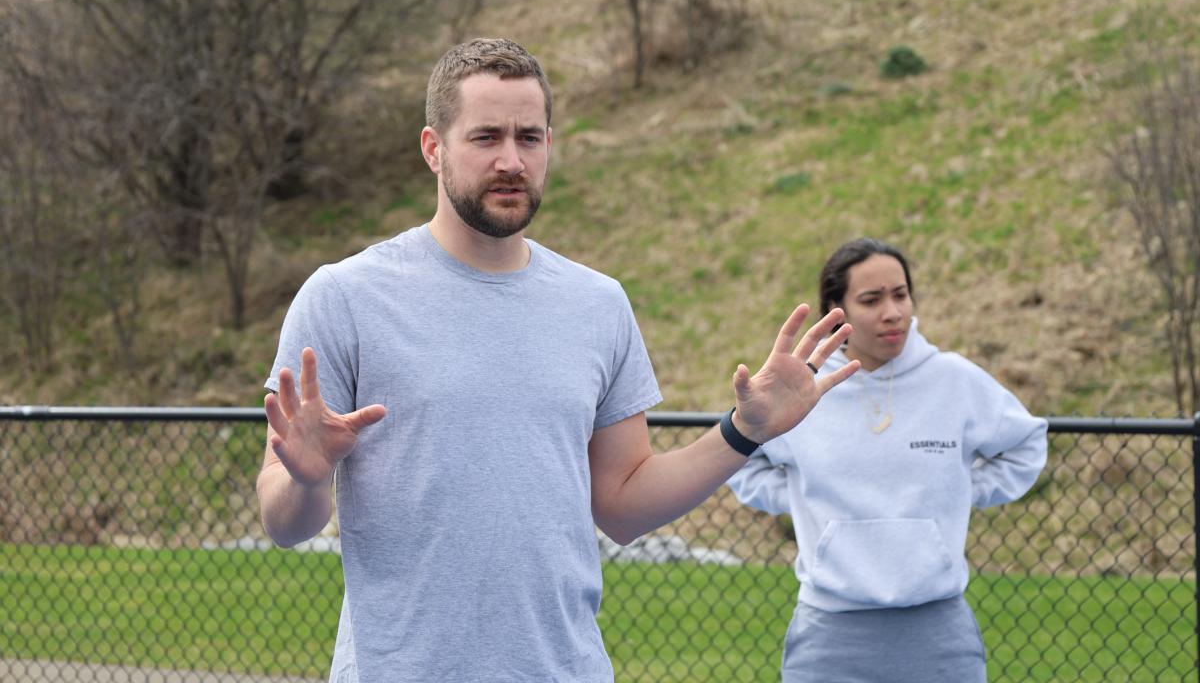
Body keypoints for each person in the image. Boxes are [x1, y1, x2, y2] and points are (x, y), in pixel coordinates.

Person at [256, 37, 861, 683]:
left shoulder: (597, 305)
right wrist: (310, 479)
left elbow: (624, 504)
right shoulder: (345, 297)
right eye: (485, 137)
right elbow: (284, 521)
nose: (512, 160)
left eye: (530, 137)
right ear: (433, 148)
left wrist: (746, 432)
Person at [728, 237, 1048, 683]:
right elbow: (741, 459)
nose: (892, 311)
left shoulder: (953, 380)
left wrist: (959, 488)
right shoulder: (802, 390)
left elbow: (1027, 443)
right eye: (871, 299)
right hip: (829, 634)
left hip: (937, 632)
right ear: (835, 310)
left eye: (900, 294)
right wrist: (803, 497)